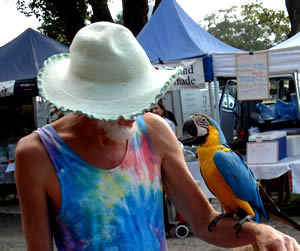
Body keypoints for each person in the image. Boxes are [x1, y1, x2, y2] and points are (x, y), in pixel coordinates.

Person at [14, 22, 299, 251]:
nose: (138, 110)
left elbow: (204, 223)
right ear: (84, 98)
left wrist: (260, 231)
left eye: (141, 97)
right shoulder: (37, 155)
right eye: (122, 101)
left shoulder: (155, 132)